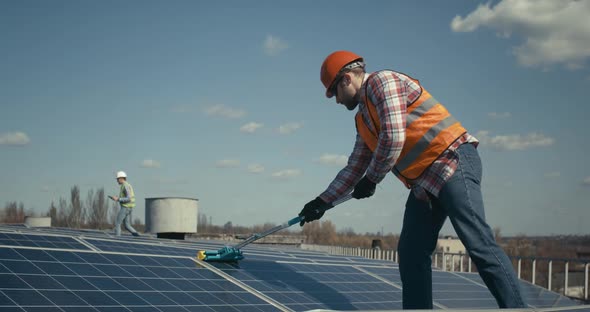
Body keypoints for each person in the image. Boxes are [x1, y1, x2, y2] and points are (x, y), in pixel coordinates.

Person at [298, 51, 526, 309]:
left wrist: (371, 179)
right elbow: (354, 168)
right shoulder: (363, 120)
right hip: (424, 183)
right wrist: (322, 201)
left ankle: (517, 308)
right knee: (411, 254)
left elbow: (394, 137)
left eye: (333, 93)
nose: (336, 101)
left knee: (477, 241)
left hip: (451, 161)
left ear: (346, 79)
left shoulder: (383, 82)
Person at [109, 171, 140, 237]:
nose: (117, 181)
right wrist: (118, 198)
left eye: (117, 179)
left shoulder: (125, 186)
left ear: (121, 178)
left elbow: (129, 198)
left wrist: (118, 199)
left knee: (117, 223)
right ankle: (138, 236)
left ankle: (117, 239)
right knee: (127, 225)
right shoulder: (126, 185)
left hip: (126, 207)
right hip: (129, 208)